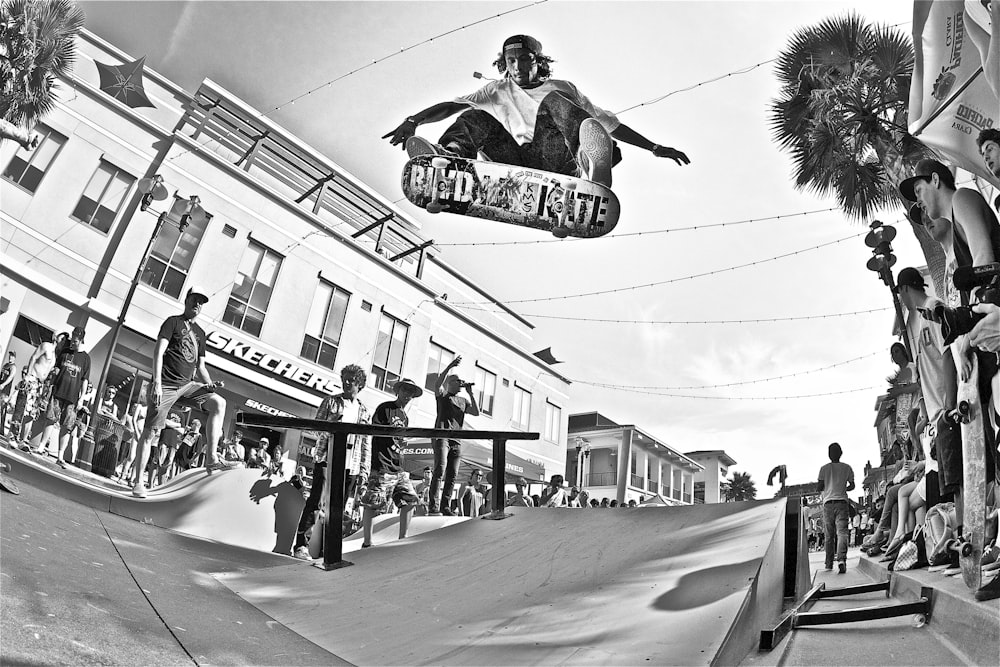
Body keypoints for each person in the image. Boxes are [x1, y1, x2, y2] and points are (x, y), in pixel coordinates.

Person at [383, 34, 689, 188]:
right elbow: (451, 106)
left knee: (554, 102)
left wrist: (654, 147)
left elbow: (608, 124)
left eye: (526, 59)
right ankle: (450, 160)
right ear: (504, 62)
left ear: (538, 61)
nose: (518, 67)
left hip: (559, 162)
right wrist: (414, 121)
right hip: (514, 162)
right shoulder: (495, 90)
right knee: (475, 113)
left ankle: (593, 165)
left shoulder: (562, 87)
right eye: (512, 60)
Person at [131, 286, 236, 498]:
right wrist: (157, 383)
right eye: (195, 300)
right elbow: (158, 352)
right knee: (151, 431)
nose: (198, 304)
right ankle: (139, 482)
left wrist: (209, 385)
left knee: (219, 403)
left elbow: (201, 367)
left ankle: (212, 457)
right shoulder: (173, 322)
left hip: (187, 386)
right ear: (186, 300)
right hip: (167, 385)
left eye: (202, 302)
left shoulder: (201, 334)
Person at [292, 363, 371, 560]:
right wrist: (333, 426)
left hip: (350, 464)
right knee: (317, 501)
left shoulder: (364, 411)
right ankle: (301, 545)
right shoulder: (331, 402)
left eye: (352, 381)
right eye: (345, 379)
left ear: (359, 384)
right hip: (327, 458)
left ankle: (328, 549)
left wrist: (364, 470)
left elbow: (365, 442)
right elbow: (316, 428)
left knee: (338, 507)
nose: (346, 383)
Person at [361, 377, 423, 548]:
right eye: (405, 391)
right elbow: (375, 429)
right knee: (373, 503)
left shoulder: (405, 416)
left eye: (411, 392)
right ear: (398, 391)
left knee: (410, 500)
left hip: (398, 466)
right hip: (382, 464)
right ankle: (367, 542)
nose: (408, 395)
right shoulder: (385, 408)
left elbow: (400, 439)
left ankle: (403, 538)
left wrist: (402, 442)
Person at [428, 354, 479, 516]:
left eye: (460, 382)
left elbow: (476, 412)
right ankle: (434, 505)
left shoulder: (463, 400)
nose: (460, 383)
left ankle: (445, 506)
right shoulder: (443, 395)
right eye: (457, 381)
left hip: (456, 440)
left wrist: (470, 393)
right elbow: (437, 383)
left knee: (452, 474)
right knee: (439, 470)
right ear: (450, 383)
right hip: (442, 437)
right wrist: (450, 366)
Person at [31, 326, 90, 464]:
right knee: (50, 419)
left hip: (72, 398)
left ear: (81, 340)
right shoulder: (64, 352)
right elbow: (56, 368)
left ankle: (60, 456)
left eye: (75, 341)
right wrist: (49, 383)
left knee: (67, 426)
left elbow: (85, 380)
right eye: (72, 340)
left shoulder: (86, 358)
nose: (72, 343)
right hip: (58, 391)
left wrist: (81, 398)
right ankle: (41, 447)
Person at [817, 442, 855, 574]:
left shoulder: (824, 469)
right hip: (842, 503)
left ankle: (828, 564)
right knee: (842, 532)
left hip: (828, 503)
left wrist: (827, 485)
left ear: (829, 455)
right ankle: (841, 560)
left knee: (829, 535)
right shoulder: (847, 468)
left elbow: (819, 487)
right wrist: (843, 487)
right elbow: (852, 485)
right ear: (841, 453)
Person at [0, 350, 16, 433]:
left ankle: (1, 428)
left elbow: (10, 377)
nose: (10, 357)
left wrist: (3, 384)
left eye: (12, 356)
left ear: (14, 358)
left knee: (2, 408)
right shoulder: (5, 365)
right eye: (10, 355)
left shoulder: (13, 367)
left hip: (5, 391)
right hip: (0, 388)